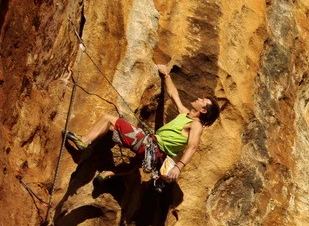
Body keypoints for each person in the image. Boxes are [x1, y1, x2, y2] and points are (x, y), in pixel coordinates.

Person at [65, 64, 219, 183]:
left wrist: (178, 167)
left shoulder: (196, 125)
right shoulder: (186, 115)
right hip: (154, 155)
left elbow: (192, 147)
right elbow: (174, 96)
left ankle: (84, 141)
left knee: (109, 119)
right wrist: (166, 75)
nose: (199, 99)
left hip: (149, 145)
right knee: (133, 165)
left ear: (204, 111)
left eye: (202, 101)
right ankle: (108, 174)